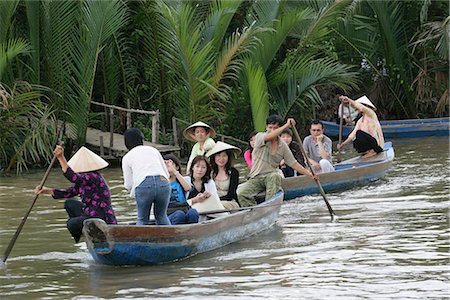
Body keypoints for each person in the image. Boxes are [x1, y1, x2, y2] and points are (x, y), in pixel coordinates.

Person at [35, 146, 117, 243]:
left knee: (71, 224)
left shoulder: (92, 176)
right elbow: (69, 192)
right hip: (90, 213)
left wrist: (60, 158)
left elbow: (73, 178)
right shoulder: (84, 180)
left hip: (101, 216)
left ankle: (91, 233)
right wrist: (48, 191)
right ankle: (88, 232)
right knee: (69, 203)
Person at [237, 115, 315, 207]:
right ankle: (253, 211)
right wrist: (286, 125)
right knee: (241, 193)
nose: (272, 130)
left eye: (275, 128)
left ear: (279, 129)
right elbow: (270, 135)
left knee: (274, 175)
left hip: (271, 177)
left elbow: (293, 163)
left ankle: (268, 207)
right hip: (256, 177)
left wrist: (309, 174)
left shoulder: (282, 146)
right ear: (266, 127)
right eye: (270, 127)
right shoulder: (259, 137)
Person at [122, 128, 171, 225]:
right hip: (163, 183)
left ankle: (140, 240)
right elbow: (166, 173)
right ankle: (171, 238)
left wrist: (136, 193)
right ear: (141, 139)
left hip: (144, 185)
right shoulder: (153, 150)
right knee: (162, 216)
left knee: (142, 219)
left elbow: (128, 184)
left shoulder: (127, 157)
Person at [163, 154, 199, 225]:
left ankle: (192, 233)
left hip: (184, 208)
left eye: (171, 163)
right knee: (179, 215)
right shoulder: (161, 182)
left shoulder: (183, 180)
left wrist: (174, 171)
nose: (168, 166)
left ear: (177, 167)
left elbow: (188, 188)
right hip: (169, 213)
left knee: (193, 212)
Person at [206, 141, 241, 209]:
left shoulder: (233, 172)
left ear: (228, 157)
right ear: (214, 157)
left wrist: (215, 201)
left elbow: (231, 195)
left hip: (229, 202)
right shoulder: (210, 172)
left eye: (224, 155)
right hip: (212, 202)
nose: (221, 159)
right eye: (218, 155)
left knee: (215, 206)